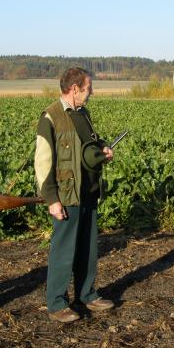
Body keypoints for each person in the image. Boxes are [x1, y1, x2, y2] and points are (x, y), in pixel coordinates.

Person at [34, 67, 115, 323]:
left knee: (88, 249)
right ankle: (57, 304)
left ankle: (87, 295)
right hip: (67, 194)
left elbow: (89, 143)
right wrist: (52, 199)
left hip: (89, 191)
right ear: (75, 88)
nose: (91, 92)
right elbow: (43, 162)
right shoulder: (51, 117)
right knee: (63, 250)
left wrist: (103, 148)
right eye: (89, 88)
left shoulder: (83, 113)